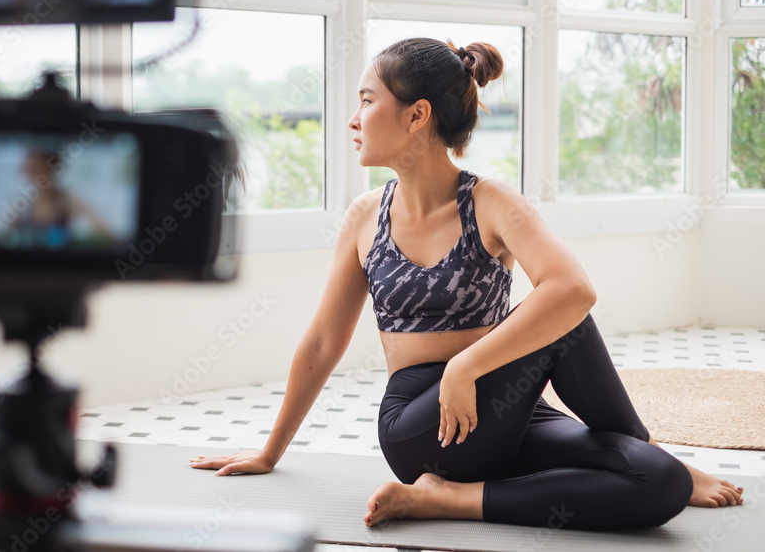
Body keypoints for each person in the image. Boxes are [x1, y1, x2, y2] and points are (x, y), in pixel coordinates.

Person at [189, 38, 744, 531]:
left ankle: (454, 501)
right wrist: (270, 451)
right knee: (562, 320)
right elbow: (321, 344)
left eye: (366, 100)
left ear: (417, 115)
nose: (354, 119)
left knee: (660, 481)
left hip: (505, 412)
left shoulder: (492, 203)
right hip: (420, 427)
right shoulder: (364, 218)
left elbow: (574, 288)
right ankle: (455, 481)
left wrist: (467, 365)